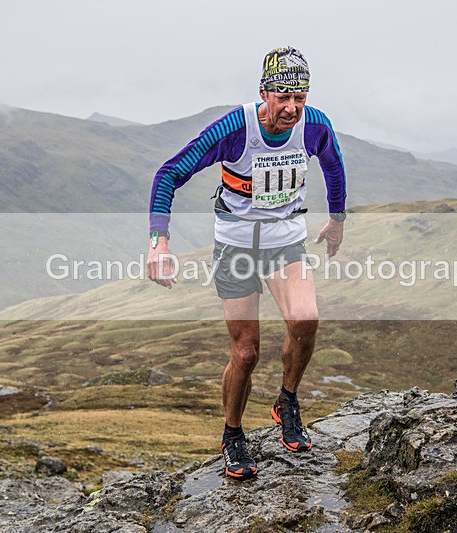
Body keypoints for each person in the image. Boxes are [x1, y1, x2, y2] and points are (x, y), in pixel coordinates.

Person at [146, 46, 347, 480]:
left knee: (306, 319)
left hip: (285, 243)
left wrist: (337, 218)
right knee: (247, 351)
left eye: (300, 98)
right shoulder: (235, 128)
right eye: (282, 98)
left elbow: (333, 164)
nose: (292, 108)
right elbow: (169, 173)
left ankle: (287, 401)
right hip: (236, 248)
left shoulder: (315, 125)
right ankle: (232, 433)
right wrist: (158, 242)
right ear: (263, 93)